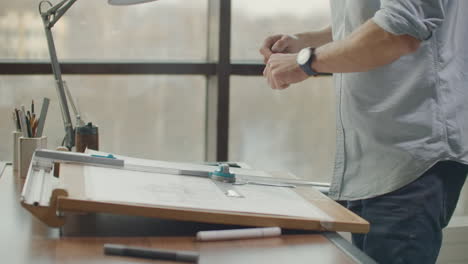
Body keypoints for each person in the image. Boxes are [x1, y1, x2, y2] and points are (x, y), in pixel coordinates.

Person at [260, 1, 468, 263]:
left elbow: (396, 32)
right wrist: (307, 41)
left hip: (412, 156)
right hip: (378, 156)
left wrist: (306, 61)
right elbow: (370, 18)